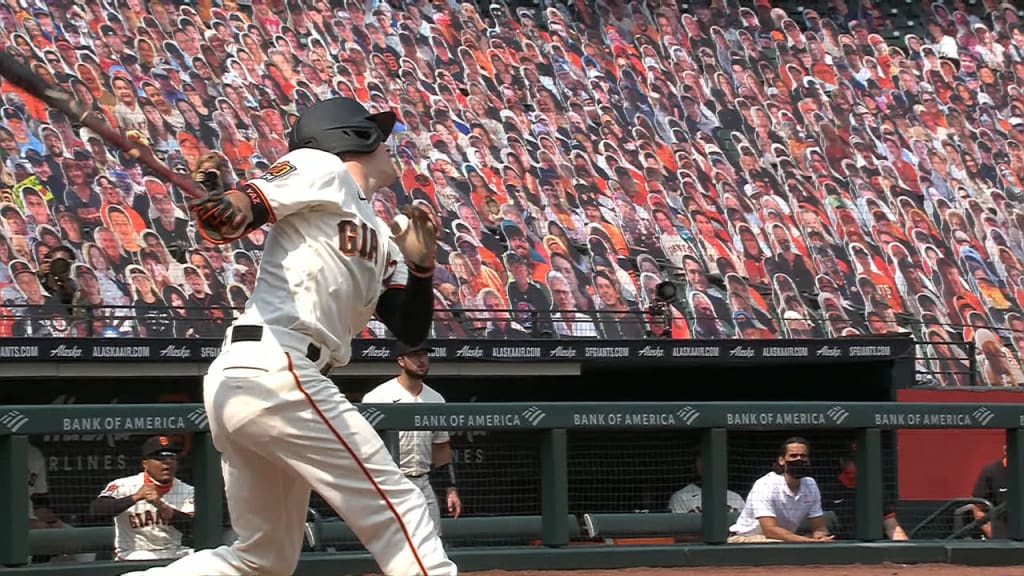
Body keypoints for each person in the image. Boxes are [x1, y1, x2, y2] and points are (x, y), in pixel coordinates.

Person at [123, 97, 456, 576]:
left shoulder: (380, 234)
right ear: (352, 137)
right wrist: (221, 201)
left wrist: (422, 269)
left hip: (261, 377)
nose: (388, 145)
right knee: (398, 503)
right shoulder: (321, 166)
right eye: (377, 134)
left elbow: (409, 328)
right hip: (277, 363)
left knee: (261, 561)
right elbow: (230, 218)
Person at [362, 342, 463, 539]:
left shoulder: (436, 399)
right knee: (394, 545)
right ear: (401, 361)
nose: (422, 360)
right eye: (414, 355)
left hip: (423, 482)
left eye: (425, 355)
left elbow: (441, 449)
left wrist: (451, 489)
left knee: (433, 543)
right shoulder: (377, 397)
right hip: (390, 483)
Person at [90, 436, 195, 560]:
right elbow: (96, 510)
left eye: (171, 457)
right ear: (145, 464)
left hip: (173, 552)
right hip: (133, 553)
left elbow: (194, 528)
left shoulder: (187, 490)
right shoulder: (124, 485)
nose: (167, 462)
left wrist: (163, 508)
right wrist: (136, 497)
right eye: (160, 458)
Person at [727, 437, 833, 543]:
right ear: (781, 460)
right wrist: (807, 541)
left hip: (783, 540)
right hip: (746, 539)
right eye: (793, 456)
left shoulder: (810, 484)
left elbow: (819, 527)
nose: (799, 459)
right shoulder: (766, 484)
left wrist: (819, 537)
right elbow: (770, 530)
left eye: (803, 456)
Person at [819, 443, 908, 540]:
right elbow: (819, 529)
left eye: (863, 460)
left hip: (870, 547)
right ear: (843, 462)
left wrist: (905, 549)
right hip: (837, 545)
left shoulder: (875, 489)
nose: (859, 465)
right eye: (854, 461)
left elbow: (891, 527)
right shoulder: (828, 489)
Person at [668, 453, 746, 514]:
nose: (708, 464)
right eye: (703, 460)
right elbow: (678, 532)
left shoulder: (735, 497)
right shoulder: (681, 497)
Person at [972, 444, 1009, 539]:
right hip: (1002, 535)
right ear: (1005, 451)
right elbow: (978, 507)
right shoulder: (991, 472)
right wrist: (993, 533)